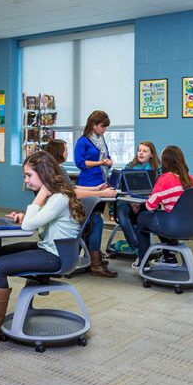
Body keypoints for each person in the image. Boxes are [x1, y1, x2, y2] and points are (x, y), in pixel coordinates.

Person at [0, 151, 86, 347]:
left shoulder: (58, 197)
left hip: (57, 256)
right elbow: (38, 222)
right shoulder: (54, 196)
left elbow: (29, 227)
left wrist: (39, 197)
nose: (26, 180)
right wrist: (25, 216)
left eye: (29, 175)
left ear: (44, 173)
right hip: (48, 248)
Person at [43, 139, 117, 277]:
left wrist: (95, 188)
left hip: (60, 210)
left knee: (93, 217)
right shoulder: (56, 170)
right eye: (65, 150)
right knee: (96, 220)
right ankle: (95, 263)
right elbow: (73, 192)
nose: (67, 153)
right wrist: (101, 193)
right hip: (62, 214)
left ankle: (91, 259)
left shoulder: (55, 168)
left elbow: (72, 187)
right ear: (59, 153)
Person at [134, 145, 193, 269]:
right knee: (161, 217)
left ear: (165, 161)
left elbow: (150, 206)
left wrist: (153, 195)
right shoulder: (192, 179)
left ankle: (143, 262)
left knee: (143, 218)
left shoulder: (165, 179)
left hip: (173, 225)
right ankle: (169, 257)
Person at [72, 111, 118, 277]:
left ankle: (92, 257)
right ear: (93, 125)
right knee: (93, 220)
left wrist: (109, 162)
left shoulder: (101, 140)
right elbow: (80, 163)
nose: (105, 129)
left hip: (102, 181)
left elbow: (107, 156)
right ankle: (94, 260)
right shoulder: (83, 141)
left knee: (95, 219)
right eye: (102, 126)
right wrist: (101, 162)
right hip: (89, 184)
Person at [112, 141, 160, 256]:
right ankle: (138, 247)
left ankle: (139, 249)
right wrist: (132, 202)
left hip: (147, 203)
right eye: (139, 151)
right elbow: (121, 188)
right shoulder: (129, 166)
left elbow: (159, 190)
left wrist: (140, 203)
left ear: (151, 154)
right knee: (121, 210)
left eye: (145, 151)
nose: (141, 153)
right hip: (129, 201)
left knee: (144, 213)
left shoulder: (158, 168)